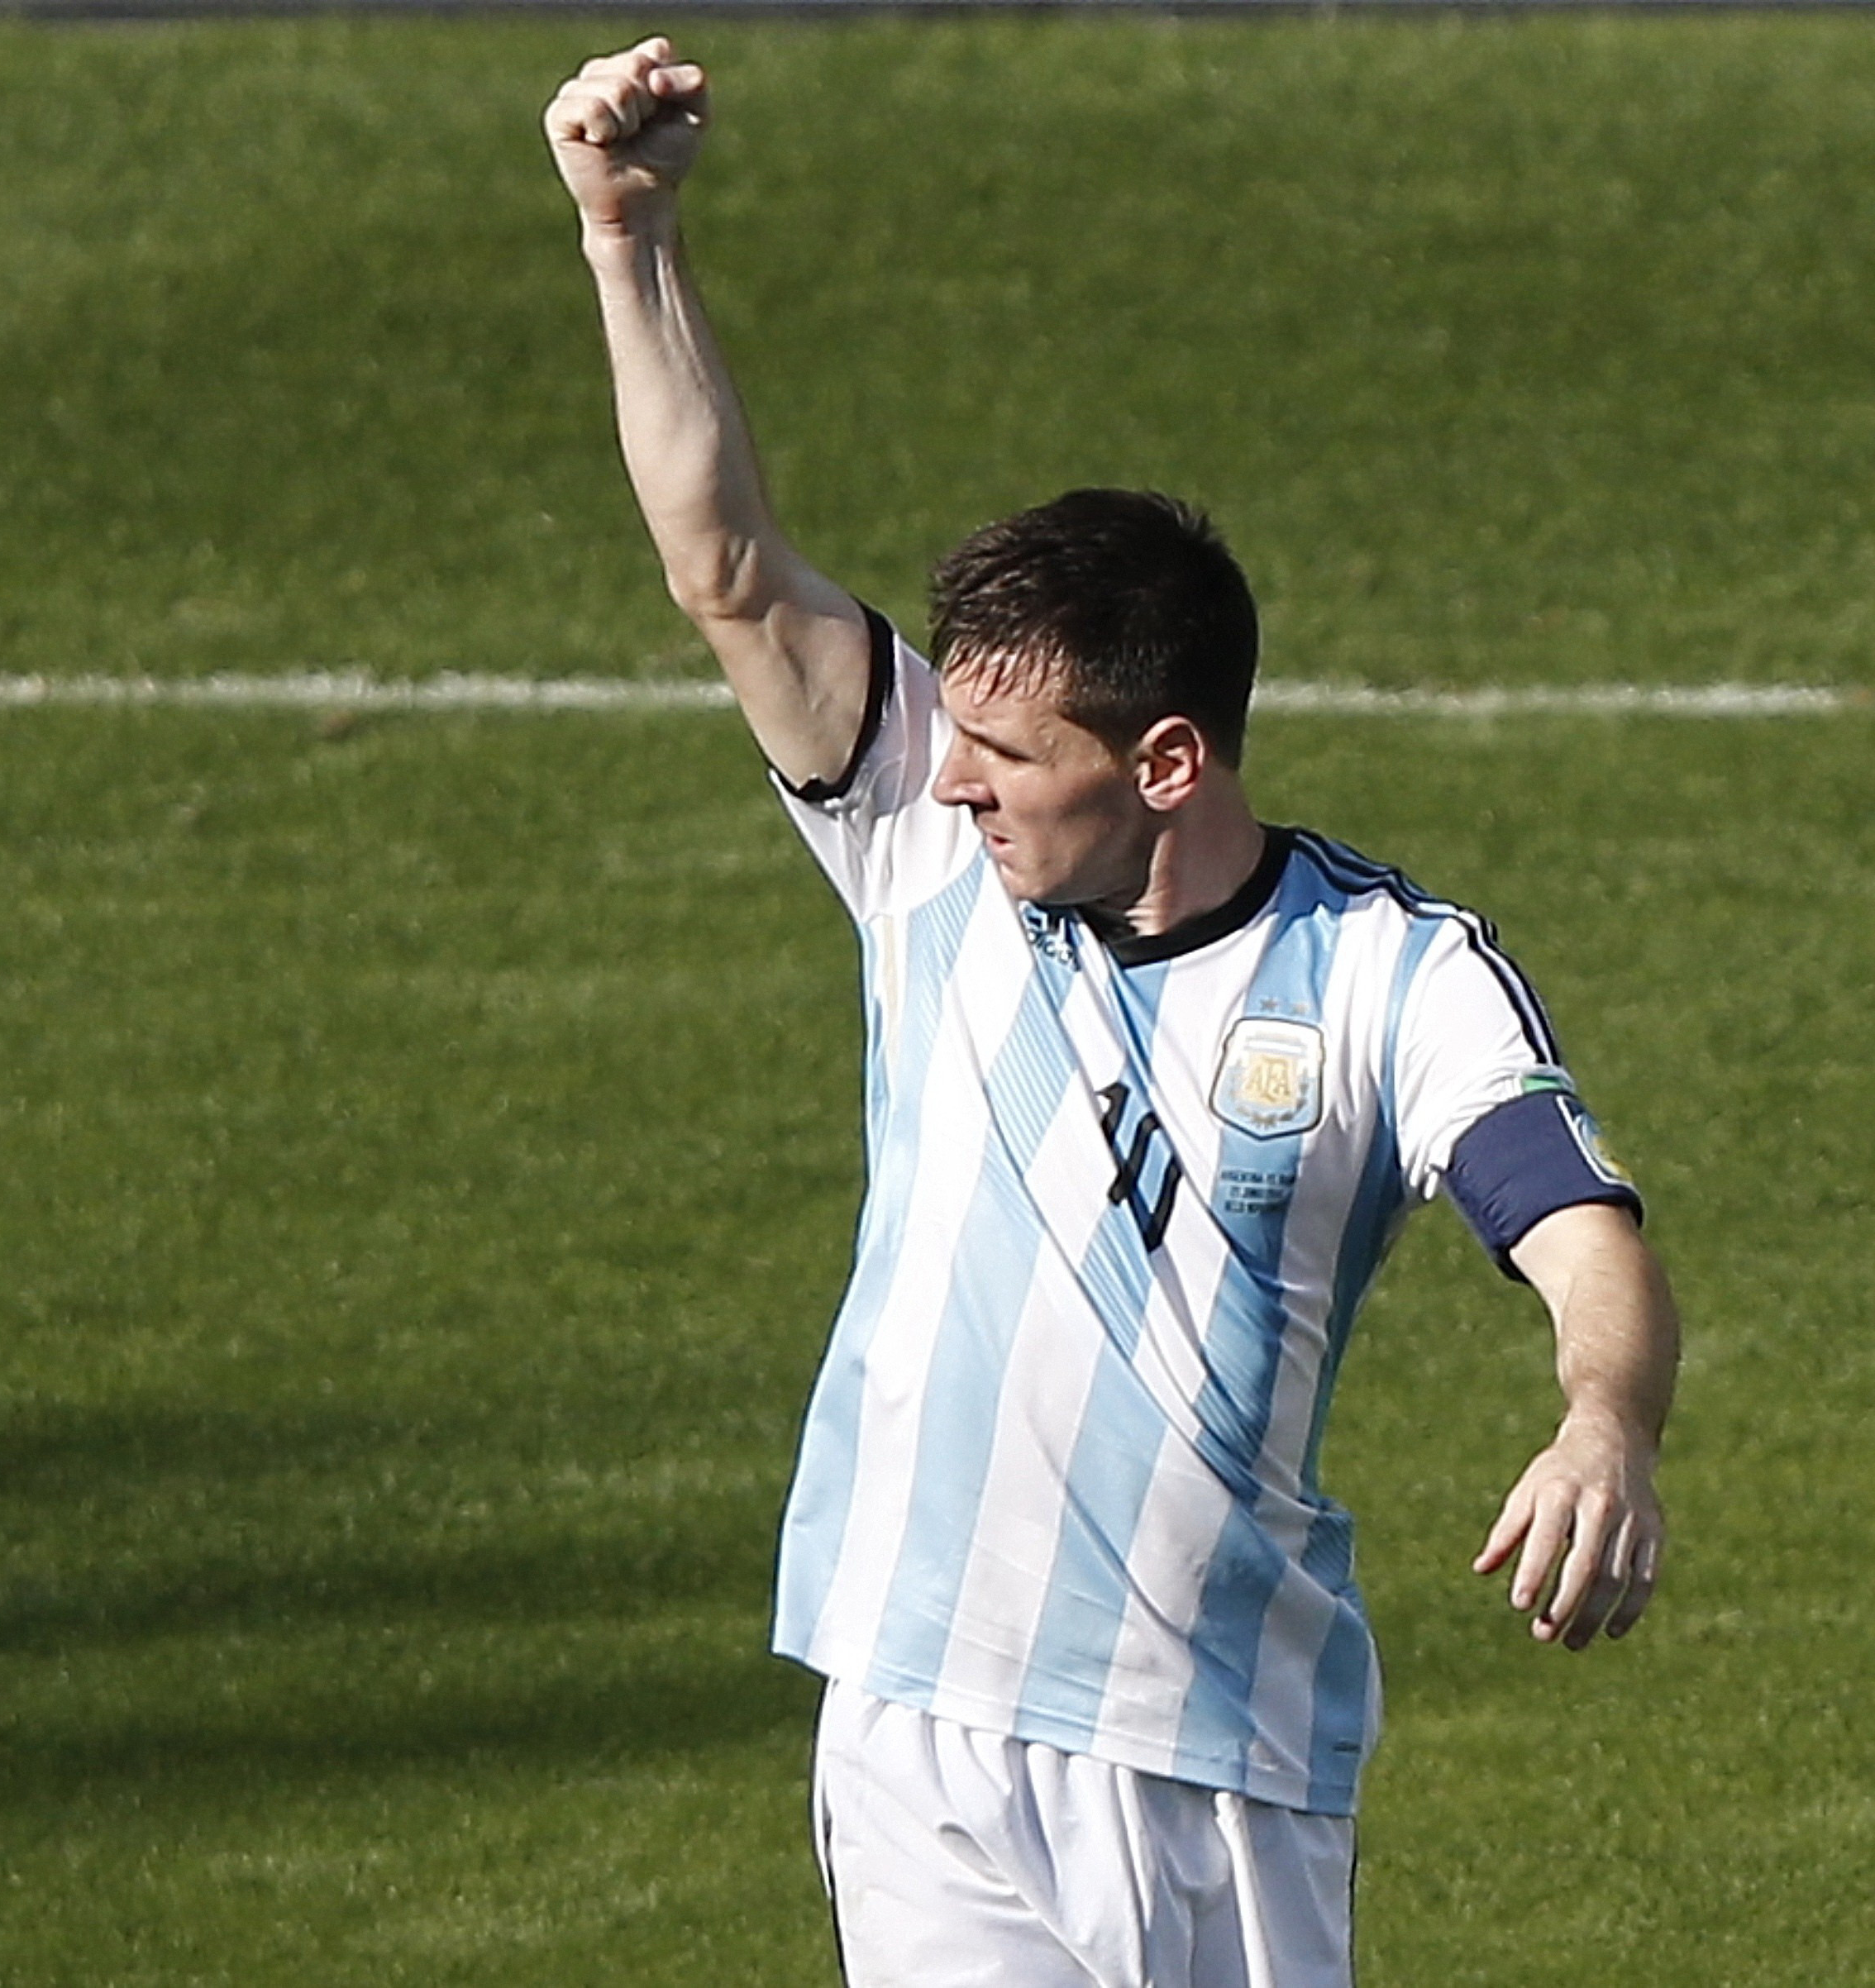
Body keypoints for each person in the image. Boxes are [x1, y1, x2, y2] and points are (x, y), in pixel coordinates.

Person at [544, 38, 1681, 1988]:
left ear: (1166, 760)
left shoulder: (1388, 974)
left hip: (1221, 1761)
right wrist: (626, 236)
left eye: (1005, 750)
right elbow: (727, 569)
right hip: (923, 1718)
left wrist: (1606, 1423)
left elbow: (1577, 1224)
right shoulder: (921, 845)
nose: (955, 782)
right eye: (954, 739)